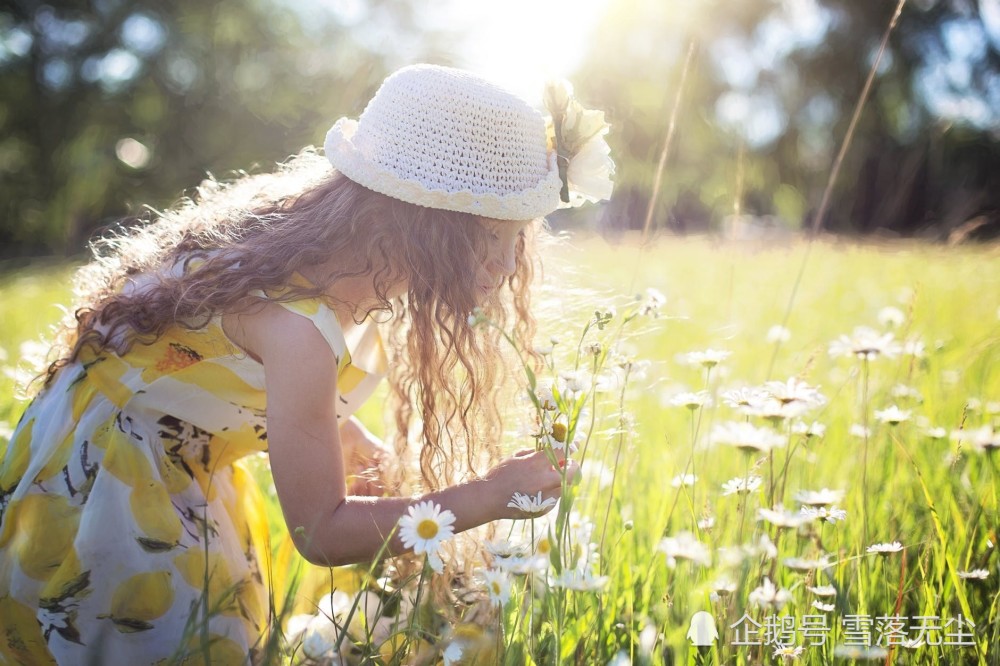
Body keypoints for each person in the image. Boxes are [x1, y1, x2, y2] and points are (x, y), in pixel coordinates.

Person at [0, 64, 612, 664]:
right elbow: (321, 533)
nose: (509, 267)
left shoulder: (323, 255)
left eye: (518, 239)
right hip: (108, 483)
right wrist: (488, 495)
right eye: (492, 238)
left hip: (168, 450)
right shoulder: (299, 327)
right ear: (424, 226)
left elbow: (204, 368)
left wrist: (340, 432)